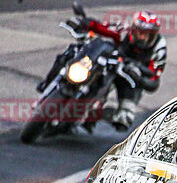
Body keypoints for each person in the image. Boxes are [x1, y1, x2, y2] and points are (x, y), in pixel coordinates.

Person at [38, 10, 166, 131]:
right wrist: (85, 23)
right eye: (140, 32)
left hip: (131, 76)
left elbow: (154, 80)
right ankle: (48, 84)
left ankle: (103, 113)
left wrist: (139, 76)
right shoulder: (124, 32)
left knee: (124, 118)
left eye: (148, 34)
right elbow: (102, 28)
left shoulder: (159, 48)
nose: (143, 37)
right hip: (113, 63)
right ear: (133, 29)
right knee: (72, 52)